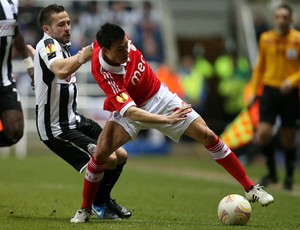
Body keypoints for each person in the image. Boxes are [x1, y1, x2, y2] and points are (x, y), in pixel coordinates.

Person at [70, 23, 274, 223]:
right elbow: (132, 112)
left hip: (160, 96)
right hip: (132, 109)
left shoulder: (105, 43)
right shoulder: (105, 75)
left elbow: (90, 48)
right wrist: (166, 120)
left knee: (208, 135)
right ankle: (85, 209)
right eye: (121, 49)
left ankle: (250, 188)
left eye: (127, 44)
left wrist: (80, 56)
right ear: (106, 51)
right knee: (101, 153)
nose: (127, 51)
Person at [33, 4, 131, 220]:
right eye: (61, 24)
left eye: (68, 22)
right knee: (108, 159)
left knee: (121, 155)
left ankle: (102, 201)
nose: (67, 27)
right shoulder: (48, 44)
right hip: (56, 128)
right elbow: (60, 69)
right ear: (47, 29)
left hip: (74, 120)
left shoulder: (61, 45)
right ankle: (98, 204)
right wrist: (82, 55)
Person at [250, 3, 300, 190]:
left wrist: (293, 80)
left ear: (290, 19)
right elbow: (260, 67)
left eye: (284, 17)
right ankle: (271, 173)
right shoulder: (266, 38)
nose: (281, 20)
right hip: (270, 91)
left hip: (290, 93)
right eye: (278, 16)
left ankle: (288, 176)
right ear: (274, 19)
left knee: (288, 137)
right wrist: (254, 91)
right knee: (263, 133)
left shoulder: (298, 39)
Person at [0, 0, 34, 147]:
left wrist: (29, 65)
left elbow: (16, 33)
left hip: (4, 79)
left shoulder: (11, 3)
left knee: (15, 131)